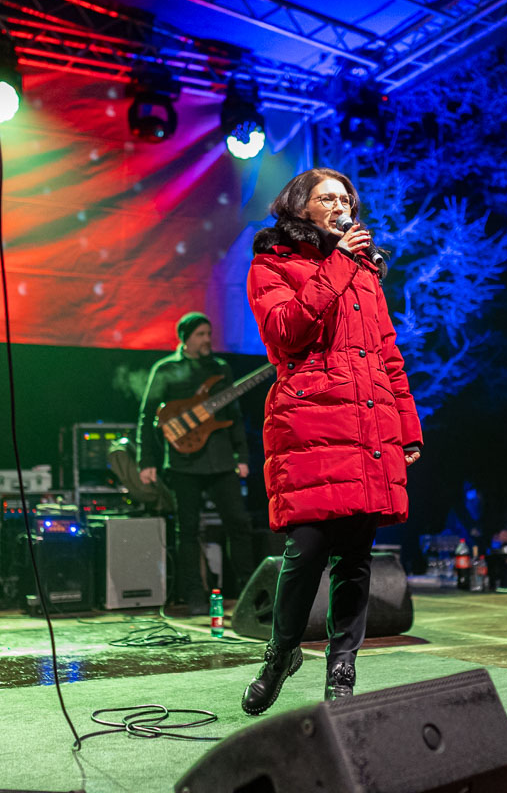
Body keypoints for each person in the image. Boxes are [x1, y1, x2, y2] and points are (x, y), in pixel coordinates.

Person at [240, 168, 422, 714]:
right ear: (300, 207)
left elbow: (387, 355)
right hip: (312, 422)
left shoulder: (365, 273)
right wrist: (339, 263)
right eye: (327, 198)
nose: (341, 205)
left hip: (367, 424)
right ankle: (281, 653)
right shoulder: (272, 264)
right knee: (306, 552)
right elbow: (285, 331)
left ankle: (342, 668)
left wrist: (407, 426)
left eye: (346, 199)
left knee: (356, 557)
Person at [137, 312, 255, 614]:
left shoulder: (221, 368)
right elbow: (147, 417)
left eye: (209, 334)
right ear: (185, 338)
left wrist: (242, 456)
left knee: (239, 524)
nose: (207, 340)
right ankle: (194, 596)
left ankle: (249, 591)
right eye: (201, 335)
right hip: (183, 463)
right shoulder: (166, 369)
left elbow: (235, 415)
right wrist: (146, 461)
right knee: (187, 530)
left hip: (220, 460)